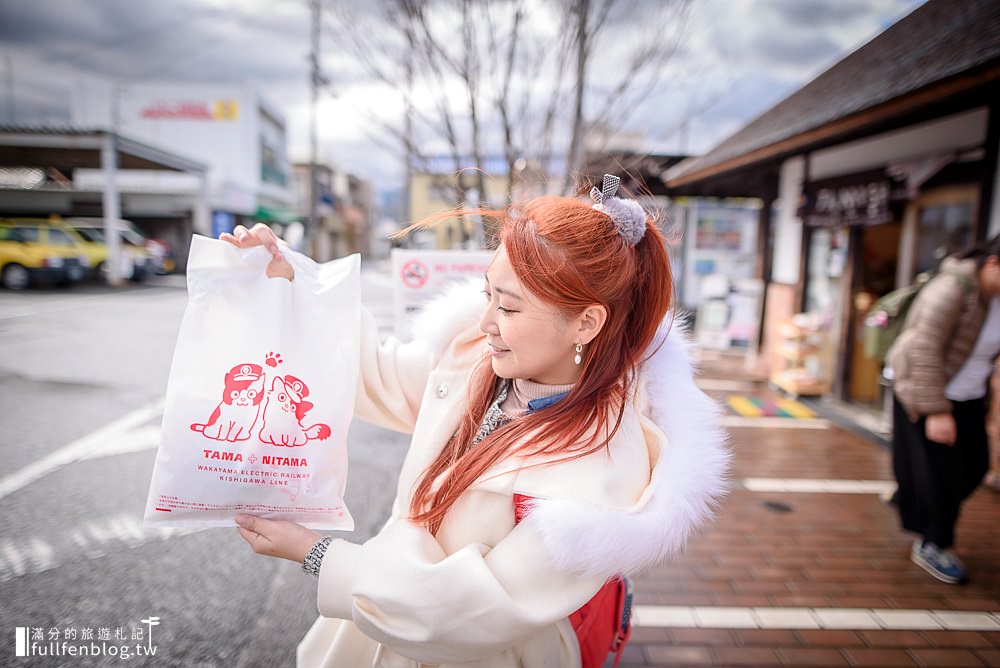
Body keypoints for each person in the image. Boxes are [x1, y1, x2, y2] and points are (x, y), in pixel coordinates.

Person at [222, 175, 729, 667]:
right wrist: (292, 281)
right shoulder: (477, 357)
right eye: (488, 294)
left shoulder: (603, 466)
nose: (485, 322)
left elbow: (461, 616)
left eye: (508, 307)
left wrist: (317, 554)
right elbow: (375, 375)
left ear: (586, 322)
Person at [886, 234, 1000, 584]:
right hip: (924, 391)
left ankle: (913, 494)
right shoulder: (953, 287)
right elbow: (924, 347)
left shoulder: (994, 295)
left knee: (976, 465)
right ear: (993, 264)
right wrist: (935, 410)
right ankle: (933, 544)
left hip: (967, 395)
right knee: (942, 479)